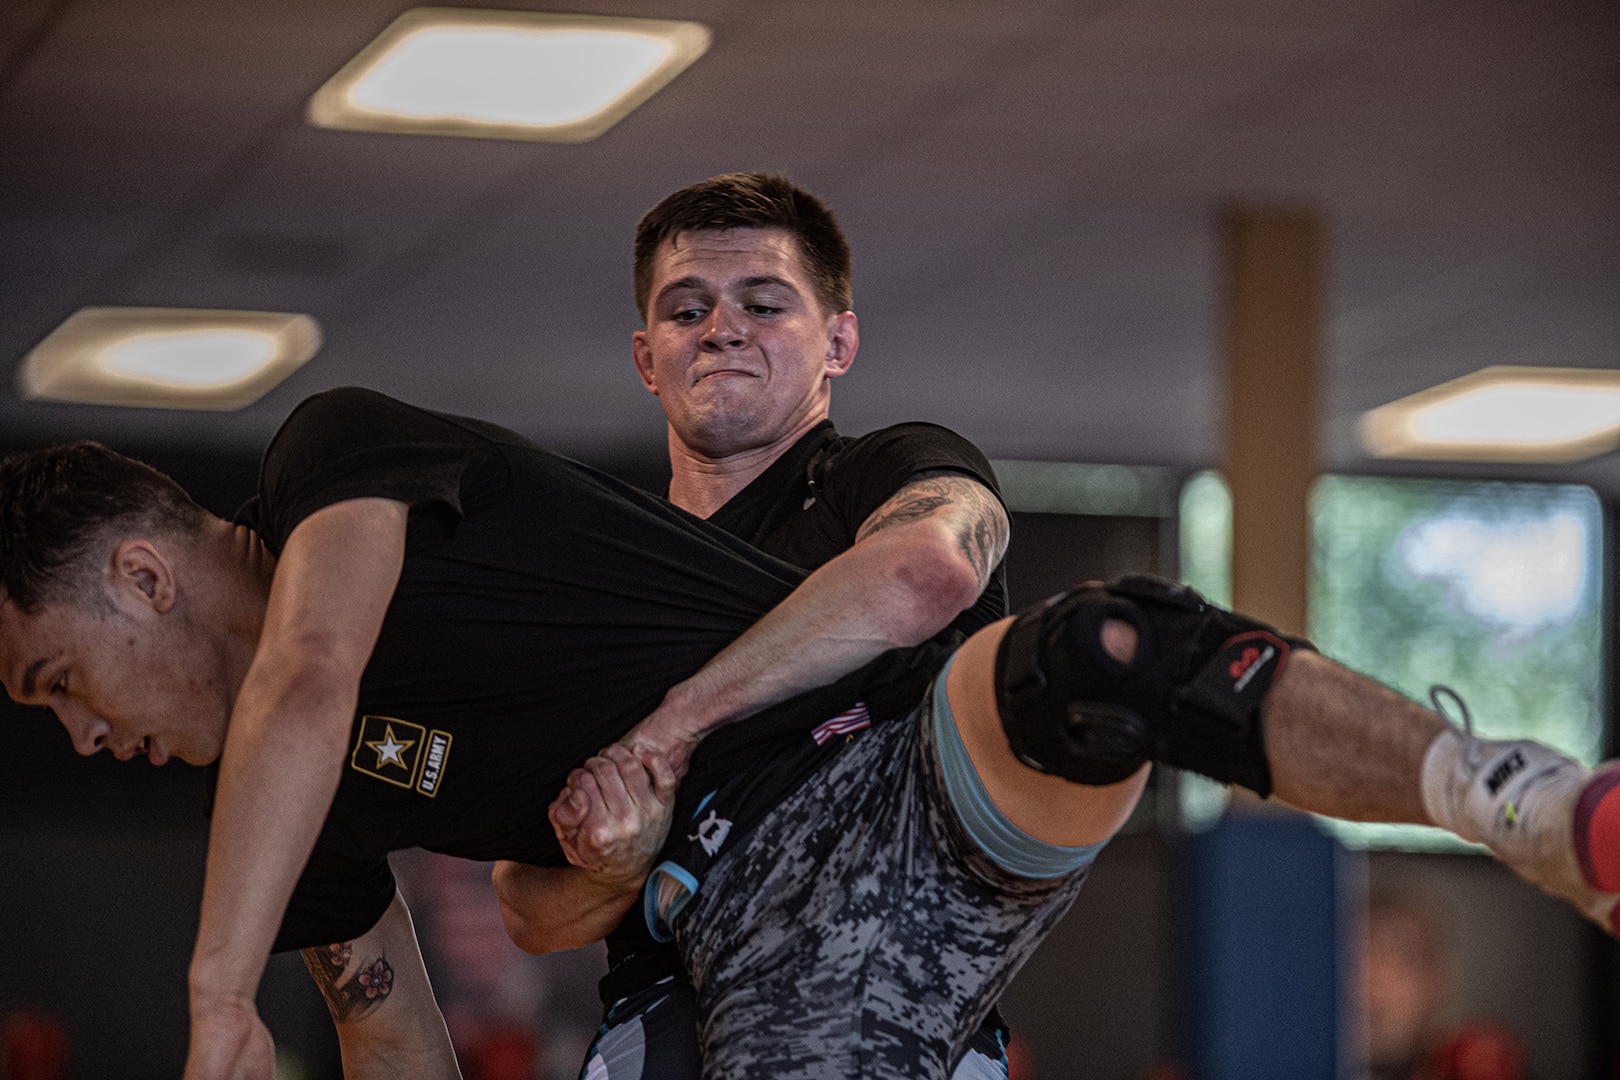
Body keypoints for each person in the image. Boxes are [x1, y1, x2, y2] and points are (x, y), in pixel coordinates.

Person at [1, 385, 1614, 1080]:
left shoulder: (328, 467)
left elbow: (308, 673)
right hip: (757, 943)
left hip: (890, 764)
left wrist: (215, 1004)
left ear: (143, 575)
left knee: (1107, 648)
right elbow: (392, 1038)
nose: (82, 738)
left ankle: (1516, 800)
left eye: (60, 682)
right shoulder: (308, 830)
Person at [492, 173, 1022, 1079]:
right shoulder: (596, 587)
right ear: (646, 357)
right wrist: (612, 871)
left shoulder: (880, 476)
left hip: (894, 996)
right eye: (685, 309)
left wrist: (673, 724)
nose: (721, 328)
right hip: (669, 1019)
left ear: (839, 342)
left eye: (764, 304)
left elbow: (928, 569)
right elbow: (527, 910)